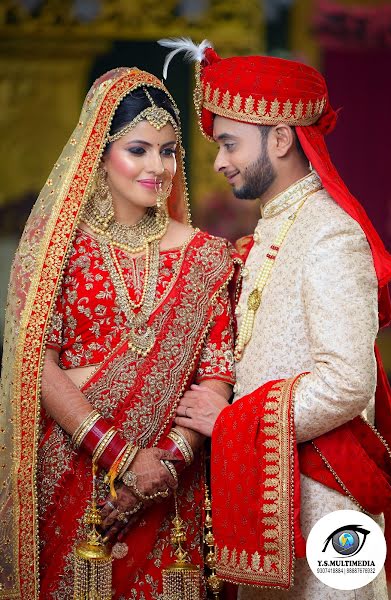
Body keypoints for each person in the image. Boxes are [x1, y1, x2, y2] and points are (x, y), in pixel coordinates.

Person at [159, 39, 391, 599]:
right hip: (269, 496)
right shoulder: (274, 226)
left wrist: (231, 424)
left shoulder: (330, 234)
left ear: (283, 138)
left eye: (229, 143)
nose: (219, 161)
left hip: (327, 505)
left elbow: (347, 382)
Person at [0, 67, 237, 599]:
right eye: (139, 149)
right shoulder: (58, 254)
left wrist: (166, 464)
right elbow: (37, 364)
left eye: (170, 151)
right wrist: (124, 459)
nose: (159, 168)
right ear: (99, 156)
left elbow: (216, 375)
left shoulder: (207, 257)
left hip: (171, 487)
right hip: (73, 477)